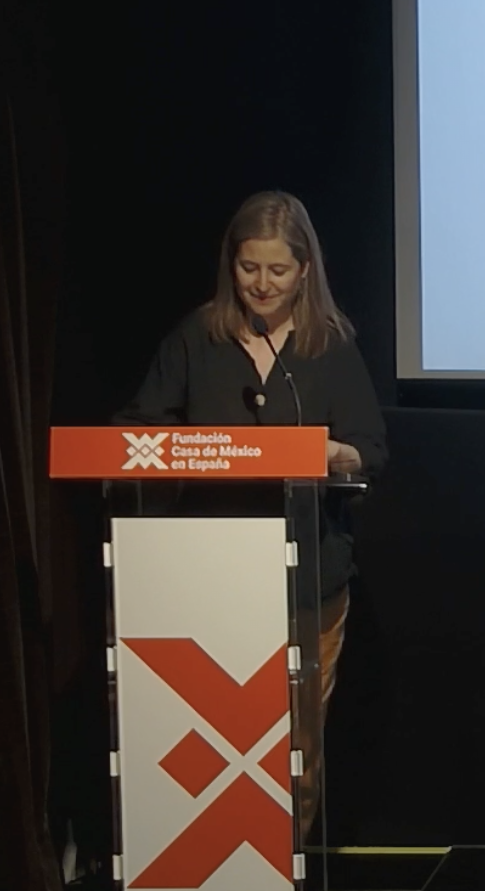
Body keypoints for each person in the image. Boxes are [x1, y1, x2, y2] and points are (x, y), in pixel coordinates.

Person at [114, 189, 386, 832]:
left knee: (294, 748)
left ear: (305, 270)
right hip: (208, 577)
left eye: (278, 270)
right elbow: (138, 430)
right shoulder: (196, 337)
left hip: (307, 579)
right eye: (248, 267)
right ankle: (212, 872)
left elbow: (371, 451)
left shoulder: (329, 346)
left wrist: (331, 453)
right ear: (229, 264)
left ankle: (285, 874)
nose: (262, 284)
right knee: (210, 743)